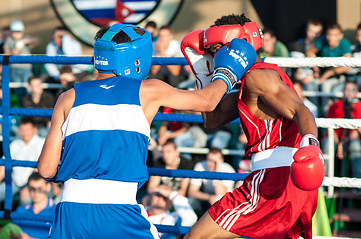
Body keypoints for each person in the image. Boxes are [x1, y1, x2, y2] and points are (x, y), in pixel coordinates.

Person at [37, 23, 257, 238]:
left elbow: (46, 169)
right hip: (117, 210)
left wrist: (81, 175)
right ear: (136, 57)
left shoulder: (67, 97)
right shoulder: (148, 90)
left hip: (69, 211)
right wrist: (228, 70)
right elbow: (208, 102)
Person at [181, 14, 324, 239]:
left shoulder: (258, 76)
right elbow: (213, 120)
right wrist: (204, 74)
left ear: (235, 47)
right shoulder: (247, 84)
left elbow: (301, 110)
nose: (214, 54)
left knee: (196, 237)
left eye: (217, 48)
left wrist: (311, 146)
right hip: (284, 181)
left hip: (273, 181)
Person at [306, 23, 352, 114]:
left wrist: (329, 73)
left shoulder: (345, 44)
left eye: (334, 35)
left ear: (340, 36)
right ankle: (314, 115)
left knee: (326, 87)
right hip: (321, 74)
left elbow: (348, 65)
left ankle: (326, 118)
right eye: (329, 34)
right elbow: (309, 52)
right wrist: (316, 68)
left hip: (338, 77)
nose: (331, 38)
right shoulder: (322, 40)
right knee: (310, 83)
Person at [0, 117, 45, 203]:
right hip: (14, 182)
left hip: (32, 184)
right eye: (22, 130)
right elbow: (2, 167)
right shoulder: (15, 143)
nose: (24, 133)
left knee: (26, 201)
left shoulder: (41, 143)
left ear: (34, 130)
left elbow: (38, 170)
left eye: (27, 130)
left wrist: (28, 187)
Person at [323, 81, 361, 179]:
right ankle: (325, 182)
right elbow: (330, 126)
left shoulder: (360, 106)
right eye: (347, 89)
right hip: (335, 137)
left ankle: (357, 185)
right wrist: (339, 144)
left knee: (355, 145)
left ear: (357, 92)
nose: (350, 93)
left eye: (353, 90)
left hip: (351, 139)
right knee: (328, 144)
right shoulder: (336, 105)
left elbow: (357, 131)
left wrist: (344, 142)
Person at [187, 148, 235, 213]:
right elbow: (192, 192)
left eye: (215, 161)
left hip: (224, 202)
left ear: (221, 161)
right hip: (205, 199)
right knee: (190, 201)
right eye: (209, 160)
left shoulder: (228, 170)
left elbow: (220, 194)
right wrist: (209, 197)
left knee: (218, 199)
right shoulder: (200, 166)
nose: (211, 164)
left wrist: (217, 171)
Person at [13, 172, 56, 239]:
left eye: (40, 188)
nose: (36, 192)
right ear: (28, 189)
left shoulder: (57, 212)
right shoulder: (20, 210)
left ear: (48, 187)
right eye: (32, 188)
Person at [4, 20, 38, 101]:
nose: (16, 34)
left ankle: (28, 108)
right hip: (15, 69)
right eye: (14, 32)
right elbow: (6, 53)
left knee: (28, 88)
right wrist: (15, 50)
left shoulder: (26, 38)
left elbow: (36, 40)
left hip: (26, 69)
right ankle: (21, 109)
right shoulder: (9, 40)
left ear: (22, 32)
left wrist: (23, 41)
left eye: (18, 32)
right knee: (18, 89)